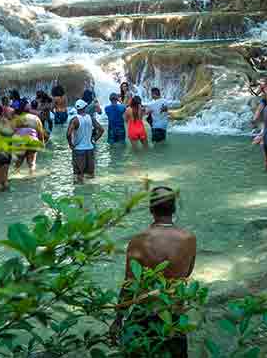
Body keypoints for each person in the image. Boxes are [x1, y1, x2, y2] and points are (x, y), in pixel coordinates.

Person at [113, 187, 196, 358]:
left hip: (145, 316)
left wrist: (118, 319)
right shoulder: (189, 239)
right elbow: (187, 273)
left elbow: (129, 284)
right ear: (174, 209)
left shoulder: (138, 241)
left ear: (151, 209)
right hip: (174, 317)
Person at [67, 99, 104, 183]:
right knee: (90, 175)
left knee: (78, 175)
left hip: (78, 150)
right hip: (90, 149)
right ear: (85, 107)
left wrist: (71, 144)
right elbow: (101, 130)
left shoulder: (74, 120)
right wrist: (94, 140)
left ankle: (79, 193)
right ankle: (89, 193)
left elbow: (68, 134)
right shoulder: (90, 118)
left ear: (77, 109)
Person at [13, 99, 47, 173]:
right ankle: (31, 178)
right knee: (32, 163)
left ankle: (16, 175)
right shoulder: (35, 118)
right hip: (32, 141)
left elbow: (13, 132)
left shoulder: (17, 119)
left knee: (17, 164)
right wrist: (42, 144)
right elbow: (40, 133)